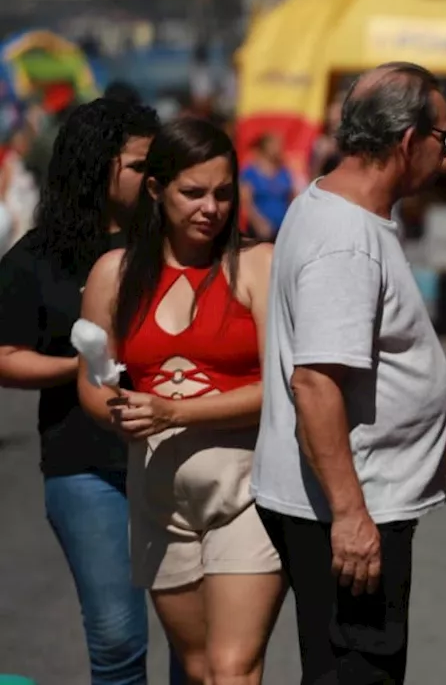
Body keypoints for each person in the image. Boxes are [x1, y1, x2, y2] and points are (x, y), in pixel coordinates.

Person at [251, 62, 446, 683]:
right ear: (404, 142)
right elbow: (314, 382)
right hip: (352, 506)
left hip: (347, 501)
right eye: (443, 140)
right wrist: (351, 516)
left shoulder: (330, 209)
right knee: (358, 670)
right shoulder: (345, 240)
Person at [77, 117, 284, 683]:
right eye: (193, 193)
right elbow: (93, 381)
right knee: (195, 668)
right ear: (155, 190)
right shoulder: (114, 274)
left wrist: (175, 411)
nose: (210, 209)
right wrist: (116, 410)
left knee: (233, 667)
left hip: (245, 487)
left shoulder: (256, 263)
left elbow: (281, 388)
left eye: (222, 193)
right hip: (157, 492)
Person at [0, 99, 158, 685]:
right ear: (98, 166)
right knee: (118, 641)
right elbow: (5, 357)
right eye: (142, 165)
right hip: (87, 468)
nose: (155, 178)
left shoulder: (177, 245)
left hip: (182, 458)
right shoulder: (38, 258)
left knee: (208, 649)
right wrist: (81, 368)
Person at [241, 133, 295, 240]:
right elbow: (246, 201)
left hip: (281, 229)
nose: (279, 147)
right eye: (275, 144)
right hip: (259, 231)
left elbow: (290, 197)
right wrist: (259, 223)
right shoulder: (250, 172)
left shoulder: (284, 171)